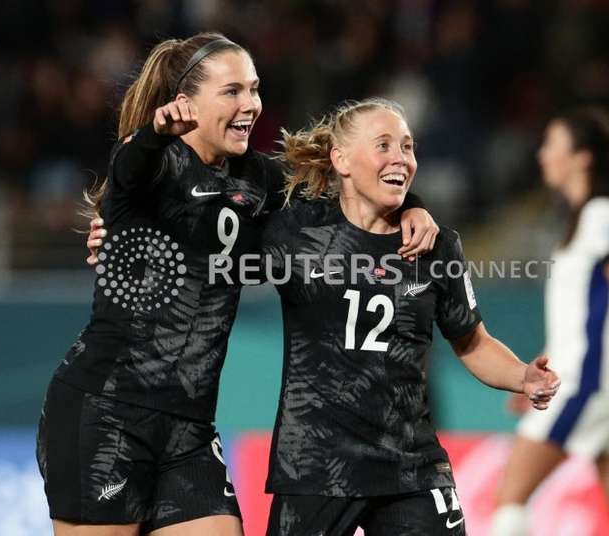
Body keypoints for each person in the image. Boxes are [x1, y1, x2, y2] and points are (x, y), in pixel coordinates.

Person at [39, 33, 438, 536]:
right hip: (105, 413)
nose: (250, 104)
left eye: (254, 89)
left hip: (189, 428)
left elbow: (346, 188)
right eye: (232, 92)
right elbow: (128, 171)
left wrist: (415, 201)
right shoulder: (152, 163)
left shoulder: (256, 178)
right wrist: (155, 133)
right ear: (185, 102)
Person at [256, 97, 561, 535]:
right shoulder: (297, 232)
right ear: (340, 159)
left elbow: (472, 341)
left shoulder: (436, 248)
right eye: (384, 145)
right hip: (316, 465)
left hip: (410, 466)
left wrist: (522, 376)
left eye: (407, 146)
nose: (401, 158)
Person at [491, 107, 609, 536]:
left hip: (590, 382)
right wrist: (535, 375)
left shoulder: (602, 215)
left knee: (509, 496)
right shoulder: (591, 219)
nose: (542, 155)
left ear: (582, 157)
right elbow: (576, 319)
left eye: (551, 144)